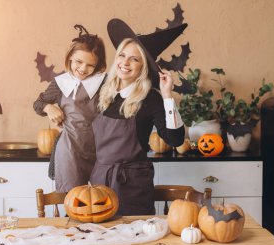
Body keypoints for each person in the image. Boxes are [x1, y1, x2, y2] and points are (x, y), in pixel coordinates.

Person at [89, 18, 187, 215]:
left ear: (143, 66)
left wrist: (167, 96)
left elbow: (175, 140)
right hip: (99, 181)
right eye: (122, 55)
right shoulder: (105, 91)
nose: (125, 63)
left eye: (134, 58)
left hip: (132, 185)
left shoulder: (150, 99)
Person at [33, 24, 107, 193]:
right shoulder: (61, 83)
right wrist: (49, 108)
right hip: (70, 151)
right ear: (70, 57)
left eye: (90, 65)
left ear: (98, 65)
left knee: (101, 200)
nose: (82, 69)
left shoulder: (104, 83)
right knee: (72, 200)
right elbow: (38, 104)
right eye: (79, 62)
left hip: (101, 150)